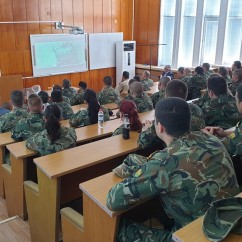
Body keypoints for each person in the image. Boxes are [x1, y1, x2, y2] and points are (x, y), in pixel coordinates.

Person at [107, 97, 239, 242]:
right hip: (229, 221)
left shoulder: (164, 162)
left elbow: (113, 199)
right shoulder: (213, 140)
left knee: (116, 228)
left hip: (191, 237)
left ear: (160, 127)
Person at [139, 80, 205, 149]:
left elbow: (143, 142)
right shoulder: (196, 109)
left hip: (175, 155)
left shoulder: (166, 114)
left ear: (165, 95)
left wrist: (146, 129)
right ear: (186, 95)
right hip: (198, 150)